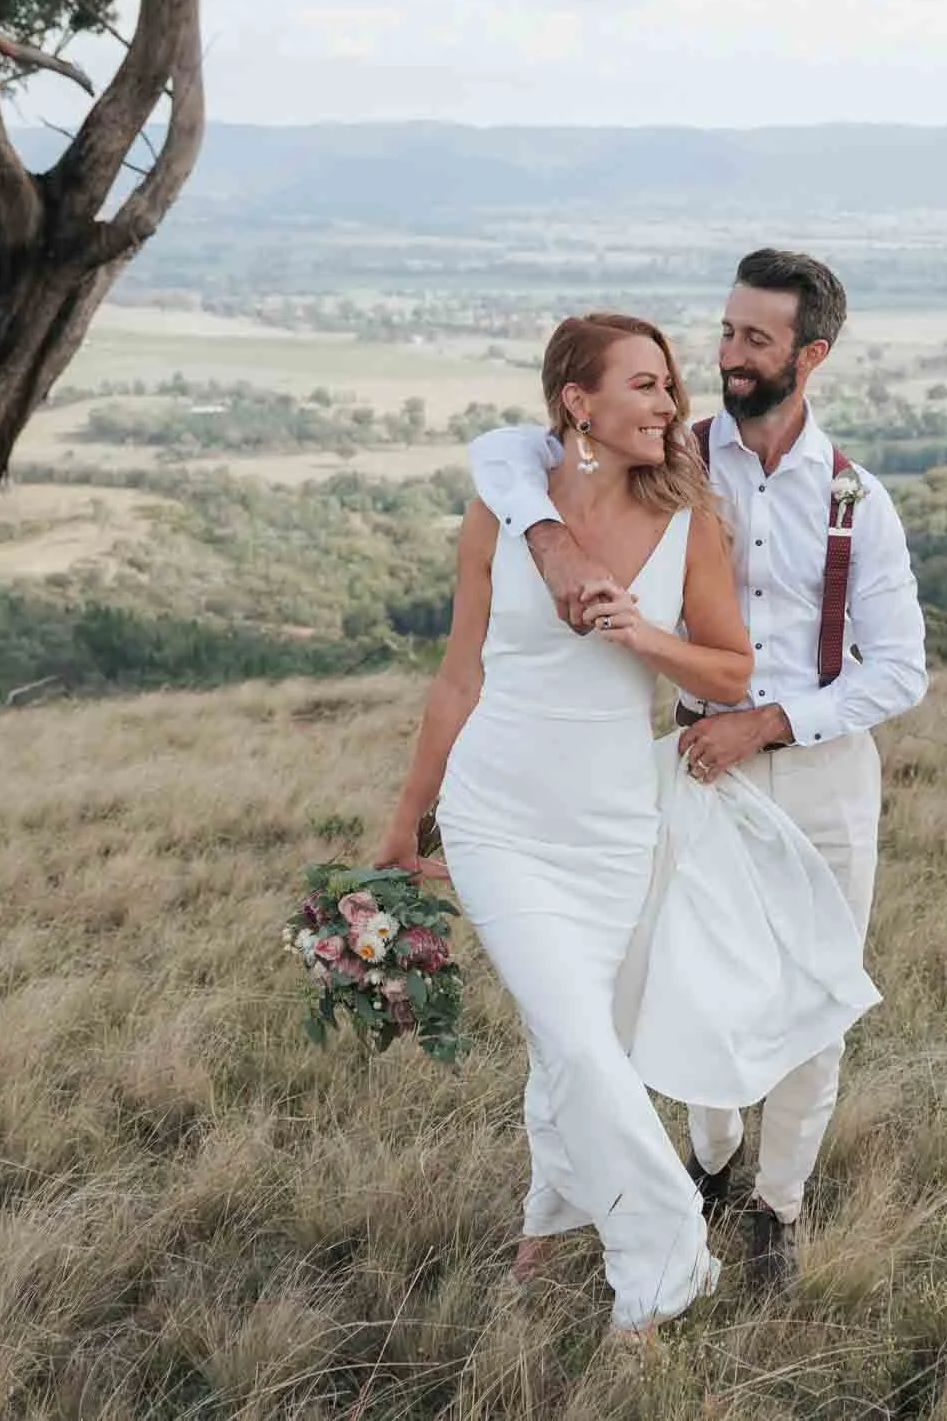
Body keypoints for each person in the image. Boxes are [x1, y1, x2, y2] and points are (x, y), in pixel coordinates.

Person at [370, 311, 875, 1343]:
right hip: (495, 813)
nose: (669, 402)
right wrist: (403, 817)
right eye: (643, 384)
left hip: (610, 827)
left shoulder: (688, 520)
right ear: (576, 401)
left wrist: (644, 634)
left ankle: (542, 1224)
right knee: (579, 1037)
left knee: (578, 1040)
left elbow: (732, 669)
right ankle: (662, 1260)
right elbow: (457, 675)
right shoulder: (500, 515)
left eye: (669, 384)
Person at [467, 248, 929, 1292]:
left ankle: (777, 1209)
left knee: (813, 997)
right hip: (690, 769)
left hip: (818, 776)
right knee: (692, 989)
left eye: (753, 339)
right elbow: (506, 451)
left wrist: (768, 718)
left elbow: (901, 670)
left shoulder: (859, 499)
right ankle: (710, 1159)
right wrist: (543, 532)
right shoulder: (670, 455)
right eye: (723, 332)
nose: (725, 355)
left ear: (809, 354)